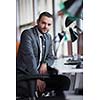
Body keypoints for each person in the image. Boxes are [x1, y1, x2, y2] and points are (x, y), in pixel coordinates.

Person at [16, 12, 70, 99]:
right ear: (38, 22)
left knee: (64, 81)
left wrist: (45, 63)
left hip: (40, 75)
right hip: (25, 75)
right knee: (36, 88)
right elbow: (29, 59)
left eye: (49, 24)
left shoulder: (48, 37)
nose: (46, 27)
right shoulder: (27, 34)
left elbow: (51, 57)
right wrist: (37, 78)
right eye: (43, 23)